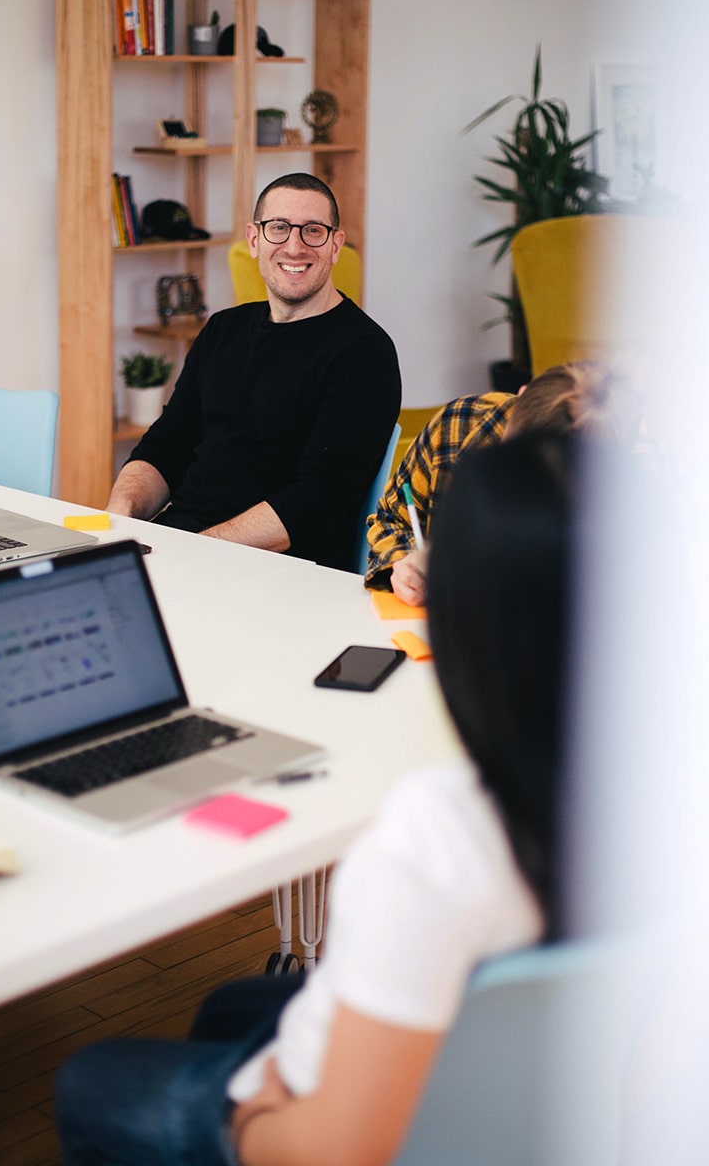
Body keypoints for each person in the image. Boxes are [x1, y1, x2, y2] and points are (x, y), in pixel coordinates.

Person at [55, 432, 578, 1166]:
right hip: (522, 1092)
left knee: (90, 1078)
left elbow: (337, 1147)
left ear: (467, 629)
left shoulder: (439, 831)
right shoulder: (669, 797)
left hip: (325, 1117)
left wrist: (253, 1116)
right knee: (225, 1008)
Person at [107, 173, 401, 572]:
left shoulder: (364, 352)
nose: (293, 247)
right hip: (184, 550)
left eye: (312, 231)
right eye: (278, 228)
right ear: (254, 240)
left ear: (335, 245)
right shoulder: (222, 330)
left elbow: (316, 499)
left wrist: (192, 548)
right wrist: (117, 520)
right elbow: (166, 445)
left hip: (279, 570)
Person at [367, 359, 637, 606]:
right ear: (521, 395)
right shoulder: (460, 426)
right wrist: (403, 563)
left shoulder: (627, 499)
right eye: (511, 455)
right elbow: (390, 518)